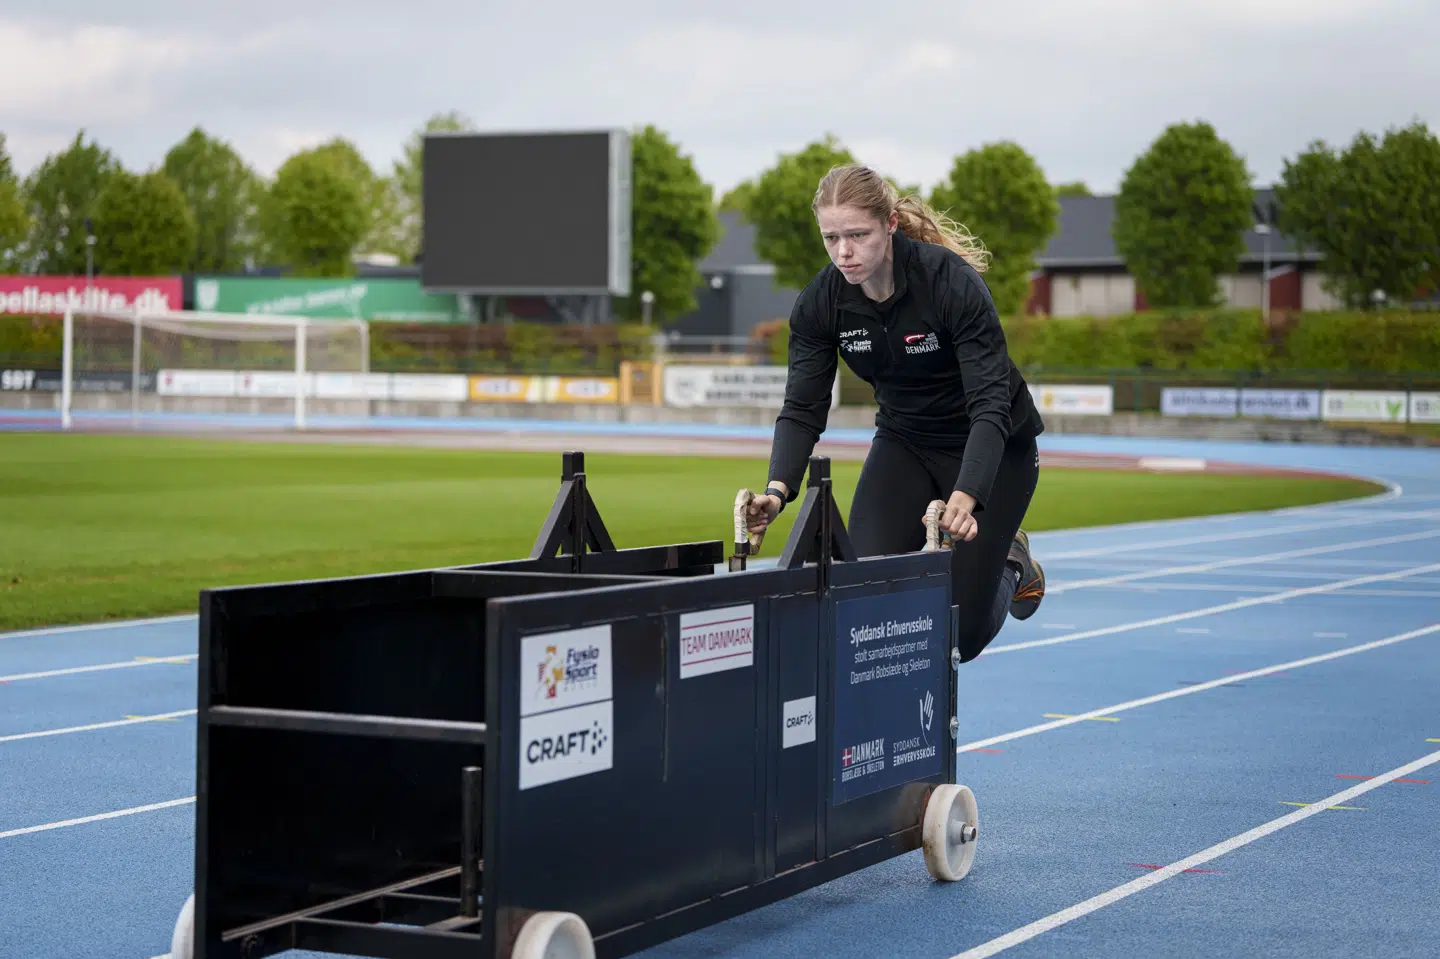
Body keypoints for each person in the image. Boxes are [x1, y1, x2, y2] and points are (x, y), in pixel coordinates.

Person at [744, 163, 1046, 663]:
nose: (844, 252)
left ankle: (1013, 562)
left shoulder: (950, 283)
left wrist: (968, 495)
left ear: (890, 225)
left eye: (857, 235)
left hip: (994, 448)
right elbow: (801, 407)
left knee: (960, 636)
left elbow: (990, 404)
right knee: (862, 596)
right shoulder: (822, 303)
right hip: (905, 442)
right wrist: (777, 491)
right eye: (831, 237)